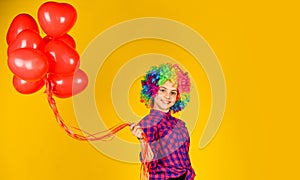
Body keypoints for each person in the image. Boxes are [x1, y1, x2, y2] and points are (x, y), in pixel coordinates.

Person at [130, 63, 196, 180]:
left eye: (173, 92)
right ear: (153, 92)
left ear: (178, 97)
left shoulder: (180, 124)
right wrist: (142, 140)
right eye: (163, 90)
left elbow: (185, 156)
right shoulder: (148, 123)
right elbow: (149, 161)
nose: (168, 96)